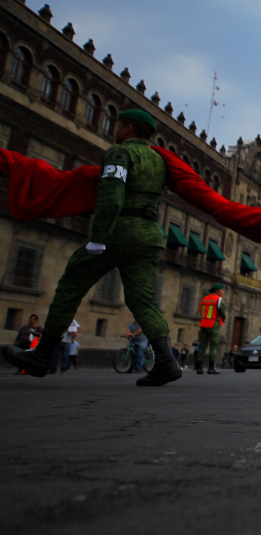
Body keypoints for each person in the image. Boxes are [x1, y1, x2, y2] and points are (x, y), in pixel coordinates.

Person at [2, 110, 181, 386]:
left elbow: (112, 193)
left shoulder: (120, 154)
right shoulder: (159, 160)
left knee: (71, 285)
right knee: (143, 300)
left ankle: (41, 356)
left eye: (118, 125)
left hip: (120, 230)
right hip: (150, 236)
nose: (115, 130)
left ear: (128, 128)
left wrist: (99, 236)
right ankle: (167, 361)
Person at [196, 284, 226, 375]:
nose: (223, 292)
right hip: (213, 324)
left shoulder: (204, 299)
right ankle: (211, 368)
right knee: (213, 346)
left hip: (203, 324)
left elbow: (201, 311)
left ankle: (199, 368)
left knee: (202, 346)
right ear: (216, 291)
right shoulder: (219, 299)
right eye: (221, 290)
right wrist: (222, 320)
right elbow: (222, 312)